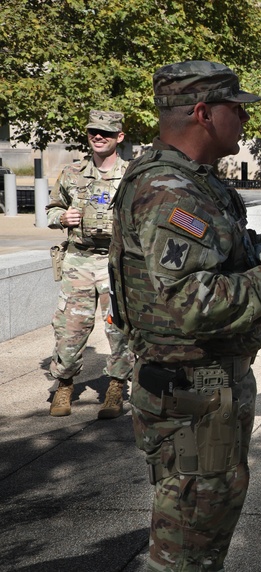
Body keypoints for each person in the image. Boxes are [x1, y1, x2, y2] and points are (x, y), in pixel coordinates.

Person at [109, 60, 261, 571]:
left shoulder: (196, 183)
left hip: (207, 388)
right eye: (235, 109)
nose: (245, 120)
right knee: (187, 548)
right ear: (203, 113)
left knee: (204, 530)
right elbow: (190, 304)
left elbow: (222, 261)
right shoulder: (169, 192)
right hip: (191, 391)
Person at [45, 109, 135, 418]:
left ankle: (116, 386)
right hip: (78, 262)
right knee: (71, 327)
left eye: (106, 133)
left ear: (119, 137)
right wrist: (62, 217)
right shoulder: (72, 172)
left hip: (116, 263)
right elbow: (51, 210)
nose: (98, 137)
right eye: (93, 132)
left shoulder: (132, 174)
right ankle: (65, 384)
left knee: (119, 327)